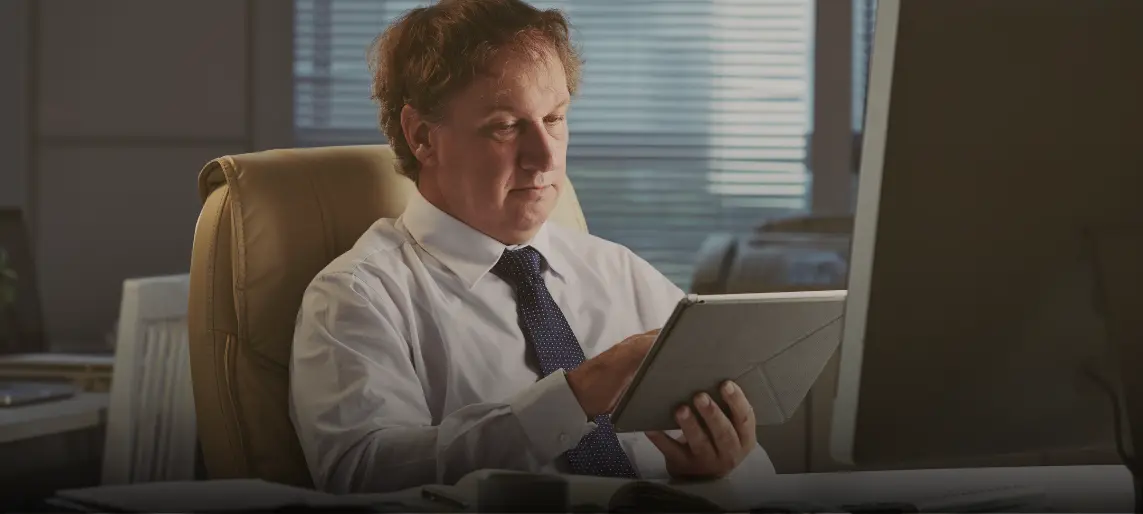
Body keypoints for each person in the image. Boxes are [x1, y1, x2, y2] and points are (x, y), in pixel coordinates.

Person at [289, 0, 776, 494]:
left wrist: (719, 466)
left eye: (555, 118)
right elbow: (361, 474)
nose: (544, 157)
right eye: (505, 126)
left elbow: (758, 472)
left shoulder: (620, 271)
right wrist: (575, 396)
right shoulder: (358, 295)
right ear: (422, 136)